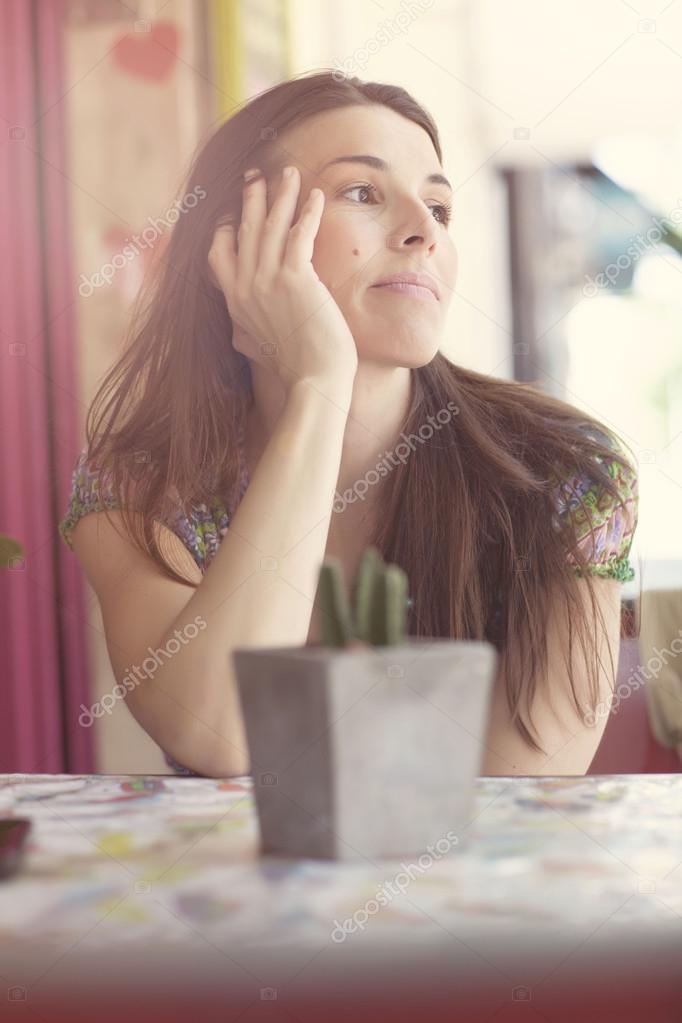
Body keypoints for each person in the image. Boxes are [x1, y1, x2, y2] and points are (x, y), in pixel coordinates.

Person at [58, 70, 639, 779]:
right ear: (238, 246)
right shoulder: (142, 482)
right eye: (363, 192)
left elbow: (523, 793)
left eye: (439, 206)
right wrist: (317, 388)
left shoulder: (567, 477)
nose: (424, 231)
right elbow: (218, 734)